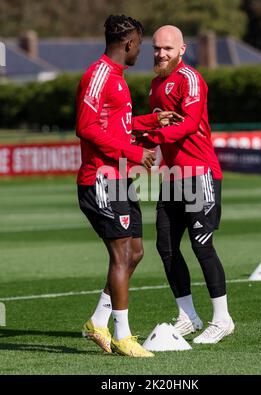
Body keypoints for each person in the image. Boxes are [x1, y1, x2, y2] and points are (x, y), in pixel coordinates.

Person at [76, 15, 180, 357]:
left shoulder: (117, 79)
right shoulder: (99, 74)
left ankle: (98, 321)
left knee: (135, 252)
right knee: (121, 254)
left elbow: (117, 124)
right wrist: (134, 151)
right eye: (142, 44)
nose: (146, 52)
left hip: (121, 178)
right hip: (101, 179)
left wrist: (152, 121)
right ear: (130, 44)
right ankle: (123, 336)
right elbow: (86, 127)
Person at [135, 25, 234, 344]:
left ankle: (222, 320)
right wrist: (136, 135)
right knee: (165, 246)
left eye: (167, 48)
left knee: (202, 244)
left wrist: (152, 136)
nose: (160, 53)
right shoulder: (154, 85)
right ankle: (188, 316)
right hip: (172, 177)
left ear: (182, 50)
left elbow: (189, 124)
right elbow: (157, 127)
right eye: (156, 48)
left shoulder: (190, 79)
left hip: (199, 173)